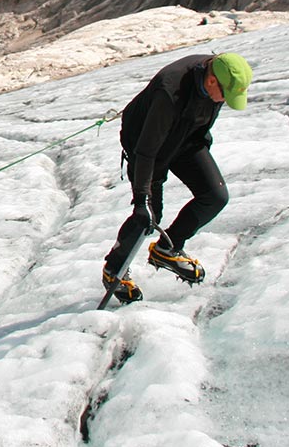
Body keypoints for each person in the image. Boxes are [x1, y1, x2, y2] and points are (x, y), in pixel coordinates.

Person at [102, 52, 253, 304]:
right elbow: (146, 150)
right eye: (226, 95)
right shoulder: (171, 92)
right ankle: (113, 270)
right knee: (149, 216)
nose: (226, 101)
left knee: (215, 196)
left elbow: (203, 121)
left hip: (186, 139)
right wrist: (142, 199)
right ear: (212, 81)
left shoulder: (217, 77)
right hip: (147, 147)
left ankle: (167, 248)